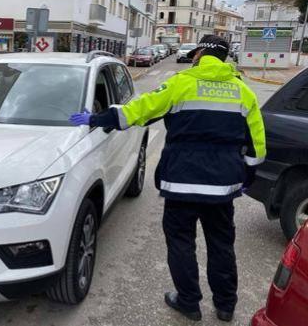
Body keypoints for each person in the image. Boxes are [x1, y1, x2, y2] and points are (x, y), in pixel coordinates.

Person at [70, 35, 266, 322]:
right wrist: (247, 175)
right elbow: (257, 144)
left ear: (199, 53)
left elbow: (140, 110)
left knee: (181, 242)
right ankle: (225, 305)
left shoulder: (180, 83)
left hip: (181, 183)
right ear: (225, 58)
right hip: (222, 187)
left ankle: (189, 302)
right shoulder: (243, 92)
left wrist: (97, 119)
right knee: (221, 244)